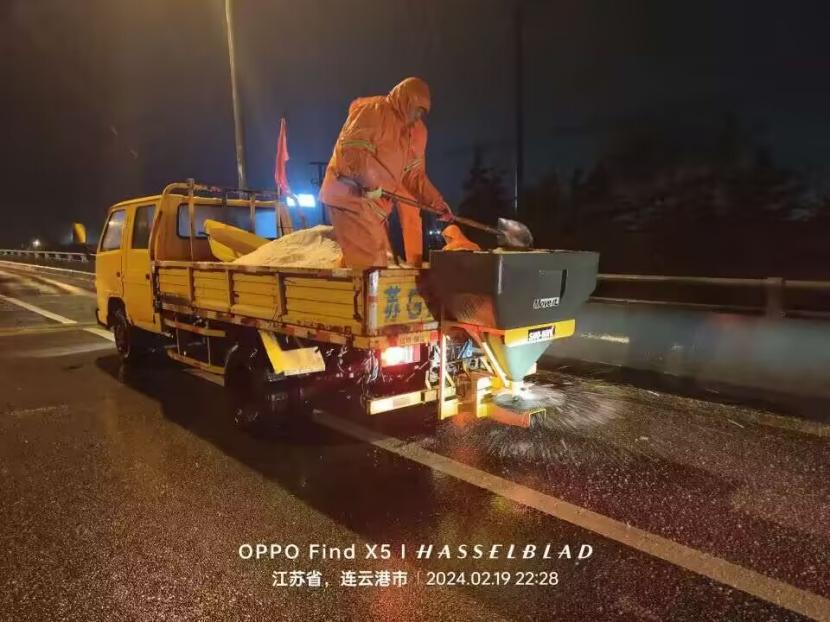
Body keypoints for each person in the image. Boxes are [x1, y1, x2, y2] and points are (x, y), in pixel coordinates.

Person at [320, 77, 451, 268]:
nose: (418, 117)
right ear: (407, 101)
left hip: (372, 208)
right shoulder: (374, 111)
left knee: (373, 260)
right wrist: (371, 182)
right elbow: (353, 148)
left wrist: (436, 203)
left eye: (422, 113)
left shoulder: (407, 135)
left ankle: (335, 284)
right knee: (371, 264)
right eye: (417, 109)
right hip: (349, 199)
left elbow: (414, 176)